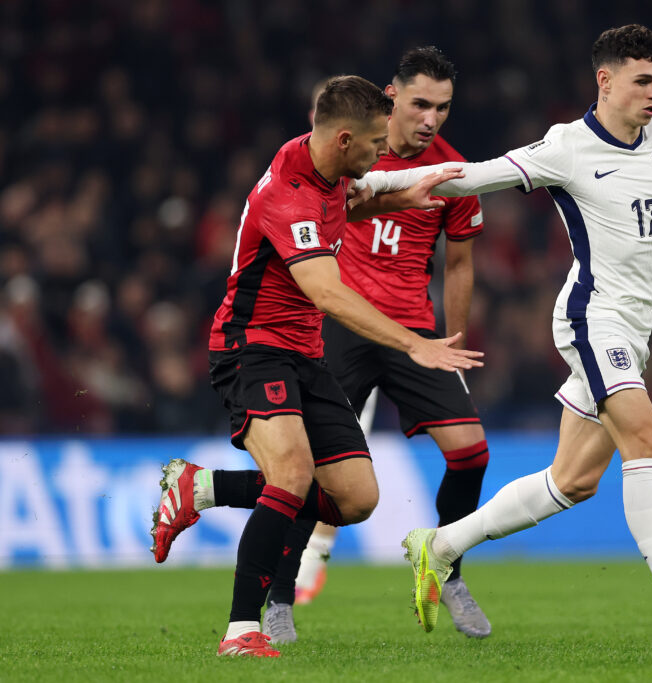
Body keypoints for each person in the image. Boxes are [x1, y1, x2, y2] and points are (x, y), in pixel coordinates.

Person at [353, 25, 652, 646]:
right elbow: (470, 175)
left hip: (635, 327)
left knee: (573, 481)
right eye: (642, 81)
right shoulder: (567, 147)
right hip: (593, 316)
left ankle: (440, 543)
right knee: (646, 434)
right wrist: (374, 185)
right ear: (605, 81)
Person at [149, 75, 480, 658]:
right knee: (293, 476)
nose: (385, 151)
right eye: (377, 142)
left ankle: (200, 487)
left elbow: (355, 196)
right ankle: (241, 630)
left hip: (305, 354)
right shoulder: (289, 193)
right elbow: (326, 291)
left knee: (355, 499)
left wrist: (397, 195)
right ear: (346, 138)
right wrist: (413, 343)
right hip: (250, 346)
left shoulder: (329, 168)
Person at [263, 47, 493, 642]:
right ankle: (279, 595)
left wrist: (453, 340)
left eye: (442, 107)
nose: (431, 119)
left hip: (413, 329)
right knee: (312, 467)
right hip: (343, 323)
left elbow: (460, 263)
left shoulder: (454, 173)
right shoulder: (349, 152)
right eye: (420, 103)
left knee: (471, 452)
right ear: (391, 98)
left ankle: (448, 567)